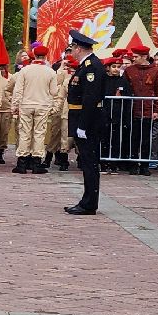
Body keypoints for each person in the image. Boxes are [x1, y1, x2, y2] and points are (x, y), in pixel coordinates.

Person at [65, 31, 108, 215]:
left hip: (88, 121)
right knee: (87, 162)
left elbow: (90, 98)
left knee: (90, 163)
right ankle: (87, 200)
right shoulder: (85, 66)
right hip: (82, 118)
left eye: (73, 48)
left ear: (79, 48)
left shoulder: (92, 67)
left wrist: (83, 125)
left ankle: (89, 203)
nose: (71, 52)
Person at [9, 47, 58, 173]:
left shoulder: (25, 71)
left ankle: (22, 163)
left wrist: (15, 106)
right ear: (45, 57)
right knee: (39, 133)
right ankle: (36, 162)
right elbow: (54, 92)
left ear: (34, 56)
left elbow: (18, 90)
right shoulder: (51, 72)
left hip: (26, 105)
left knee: (24, 133)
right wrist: (54, 106)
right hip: (42, 105)